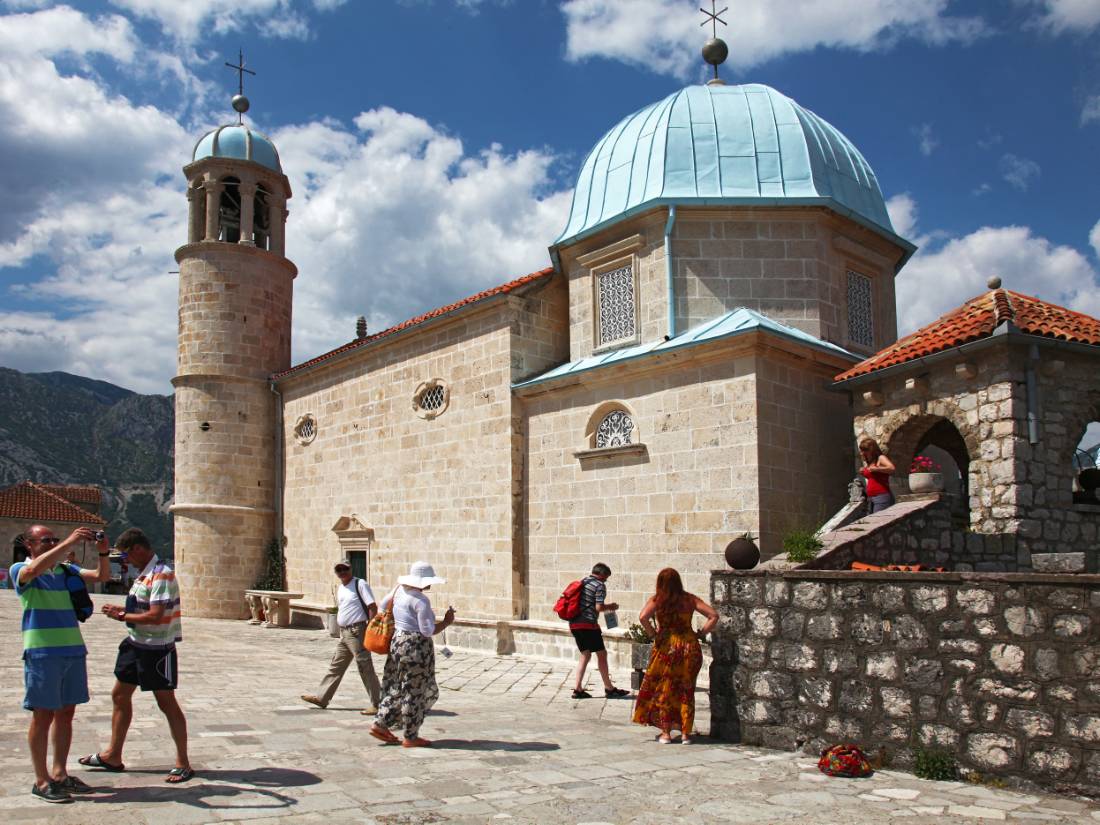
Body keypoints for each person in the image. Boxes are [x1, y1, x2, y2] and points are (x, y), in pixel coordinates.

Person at [79, 528, 193, 783]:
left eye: (127, 555)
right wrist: (125, 610)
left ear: (138, 549)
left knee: (166, 702)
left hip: (156, 649)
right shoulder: (145, 574)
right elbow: (144, 608)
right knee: (119, 695)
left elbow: (156, 615)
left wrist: (121, 615)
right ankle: (113, 754)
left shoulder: (161, 574)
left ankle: (183, 762)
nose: (126, 561)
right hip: (135, 644)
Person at [11, 525, 110, 803]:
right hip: (43, 652)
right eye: (46, 540)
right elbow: (31, 573)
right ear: (30, 544)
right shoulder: (20, 569)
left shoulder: (65, 572)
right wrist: (68, 542)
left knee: (66, 713)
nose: (51, 543)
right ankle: (41, 781)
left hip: (72, 649)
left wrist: (103, 553)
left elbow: (103, 576)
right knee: (42, 716)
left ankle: (59, 773)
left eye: (53, 539)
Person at [369, 561, 455, 748]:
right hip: (415, 648)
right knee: (414, 691)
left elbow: (383, 606)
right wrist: (447, 622)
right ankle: (410, 735)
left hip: (397, 642)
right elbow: (427, 630)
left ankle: (380, 723)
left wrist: (401, 620)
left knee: (396, 686)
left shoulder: (398, 591)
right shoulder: (421, 600)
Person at [632, 568, 718, 744]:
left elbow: (643, 617)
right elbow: (713, 615)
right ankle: (686, 733)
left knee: (665, 690)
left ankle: (666, 733)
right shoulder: (690, 599)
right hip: (689, 646)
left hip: (666, 647)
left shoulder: (657, 600)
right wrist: (700, 634)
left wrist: (653, 634)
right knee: (686, 690)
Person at [301, 561, 382, 713]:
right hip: (345, 633)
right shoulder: (340, 588)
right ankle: (322, 697)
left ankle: (378, 704)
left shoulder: (360, 584)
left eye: (345, 569)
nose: (342, 572)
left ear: (351, 569)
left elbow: (372, 606)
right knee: (336, 665)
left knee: (364, 666)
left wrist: (370, 628)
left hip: (357, 631)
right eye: (339, 569)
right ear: (335, 572)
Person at [569, 563, 629, 700]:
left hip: (574, 624)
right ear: (602, 574)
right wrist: (611, 606)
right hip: (588, 625)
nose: (606, 580)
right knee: (602, 654)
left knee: (585, 654)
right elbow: (599, 607)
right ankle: (609, 688)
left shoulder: (583, 582)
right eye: (606, 577)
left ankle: (578, 689)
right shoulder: (599, 585)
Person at [859, 437, 896, 513]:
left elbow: (892, 468)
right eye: (862, 450)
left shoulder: (881, 458)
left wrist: (877, 469)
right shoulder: (870, 462)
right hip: (871, 498)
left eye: (865, 450)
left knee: (878, 521)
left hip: (882, 496)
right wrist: (863, 471)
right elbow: (875, 478)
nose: (862, 453)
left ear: (872, 449)